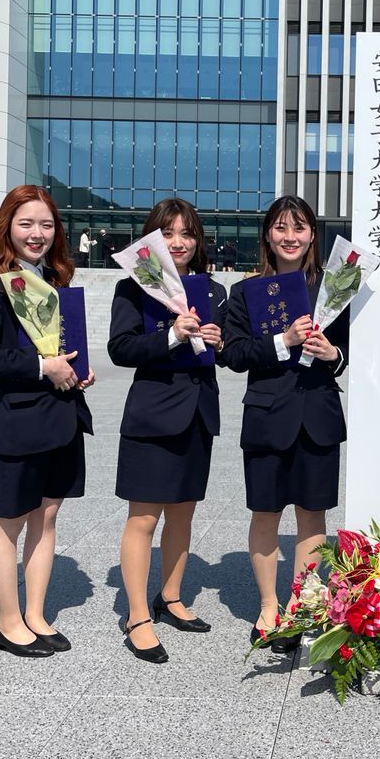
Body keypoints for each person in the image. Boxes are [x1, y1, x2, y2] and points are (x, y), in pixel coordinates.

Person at [0, 186, 95, 658]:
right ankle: (8, 620)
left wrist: (78, 370)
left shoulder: (55, 283)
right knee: (10, 521)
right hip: (19, 420)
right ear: (7, 227)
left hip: (62, 415)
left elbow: (65, 346)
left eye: (46, 224)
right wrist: (43, 367)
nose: (37, 233)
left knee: (48, 515)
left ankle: (35, 613)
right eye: (26, 223)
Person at [223, 195, 348, 652]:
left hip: (318, 415)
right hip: (267, 417)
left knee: (313, 515)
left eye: (299, 228)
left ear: (313, 235)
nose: (289, 237)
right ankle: (269, 606)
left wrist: (332, 354)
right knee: (267, 512)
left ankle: (302, 606)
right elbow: (232, 354)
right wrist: (283, 341)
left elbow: (350, 352)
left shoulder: (334, 290)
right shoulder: (246, 292)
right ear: (268, 236)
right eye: (280, 228)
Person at [108, 199, 226, 663]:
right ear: (152, 239)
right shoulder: (132, 288)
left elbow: (229, 349)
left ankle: (171, 597)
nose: (178, 242)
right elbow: (121, 348)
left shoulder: (213, 290)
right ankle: (137, 616)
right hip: (153, 416)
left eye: (187, 233)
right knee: (143, 518)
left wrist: (219, 341)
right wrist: (174, 335)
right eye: (168, 233)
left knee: (182, 514)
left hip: (198, 413)